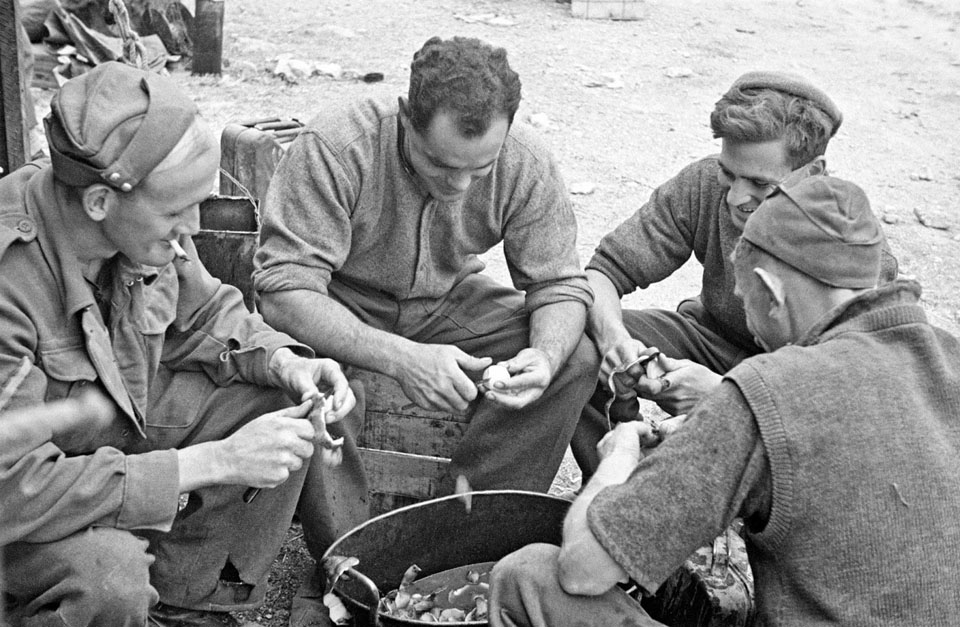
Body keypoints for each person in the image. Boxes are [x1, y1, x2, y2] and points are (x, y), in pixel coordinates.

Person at [488, 175, 960, 626]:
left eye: (747, 301)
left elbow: (581, 569)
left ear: (772, 293)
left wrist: (621, 456)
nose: (751, 327)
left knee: (529, 575)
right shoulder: (947, 357)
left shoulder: (767, 392)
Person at [0, 61, 357, 627]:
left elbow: (207, 312)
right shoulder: (7, 278)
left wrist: (284, 361)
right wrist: (212, 461)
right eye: (173, 212)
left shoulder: (135, 230)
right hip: (21, 512)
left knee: (277, 401)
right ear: (99, 202)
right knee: (109, 579)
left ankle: (189, 608)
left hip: (97, 443)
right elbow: (11, 491)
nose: (191, 228)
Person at [253, 36, 598, 540]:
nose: (460, 185)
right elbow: (283, 291)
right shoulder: (338, 145)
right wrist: (401, 358)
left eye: (479, 169)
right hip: (340, 299)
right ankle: (351, 555)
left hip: (448, 303)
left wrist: (544, 357)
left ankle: (467, 537)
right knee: (309, 373)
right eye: (440, 164)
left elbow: (560, 287)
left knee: (575, 357)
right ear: (406, 117)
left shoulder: (525, 160)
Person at [573, 70, 898, 476]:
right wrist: (612, 342)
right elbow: (604, 272)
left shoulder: (847, 238)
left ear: (812, 172)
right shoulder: (705, 184)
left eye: (761, 184)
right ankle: (616, 489)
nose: (735, 197)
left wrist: (726, 398)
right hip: (713, 337)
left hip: (797, 379)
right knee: (580, 337)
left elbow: (849, 394)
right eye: (729, 174)